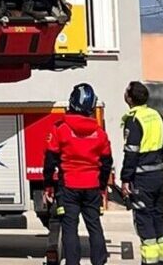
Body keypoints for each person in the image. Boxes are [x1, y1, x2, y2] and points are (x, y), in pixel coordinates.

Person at [43, 83, 112, 265]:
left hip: (69, 187)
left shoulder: (60, 129)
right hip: (92, 187)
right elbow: (106, 163)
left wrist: (48, 185)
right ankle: (99, 261)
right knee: (94, 226)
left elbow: (49, 160)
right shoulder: (100, 133)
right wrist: (102, 187)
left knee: (69, 228)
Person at [120, 81, 163, 265]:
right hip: (159, 175)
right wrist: (155, 162)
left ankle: (149, 262)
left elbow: (131, 152)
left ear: (130, 98)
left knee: (144, 220)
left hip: (142, 179)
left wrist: (125, 179)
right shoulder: (156, 115)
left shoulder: (134, 119)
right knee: (159, 218)